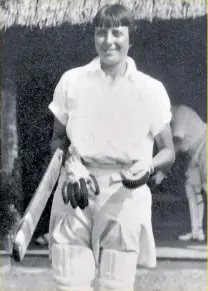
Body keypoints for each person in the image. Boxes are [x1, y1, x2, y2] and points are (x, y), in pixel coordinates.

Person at [48, 4, 175, 290]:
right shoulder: (72, 81)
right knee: (69, 283)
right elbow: (57, 140)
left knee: (115, 286)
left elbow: (168, 151)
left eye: (117, 33)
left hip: (125, 196)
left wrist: (150, 164)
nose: (108, 41)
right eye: (101, 32)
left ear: (131, 38)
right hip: (76, 190)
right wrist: (71, 164)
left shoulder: (150, 89)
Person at [153, 104, 206, 242]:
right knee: (192, 189)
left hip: (205, 146)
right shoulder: (171, 119)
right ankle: (197, 232)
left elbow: (175, 145)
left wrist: (162, 172)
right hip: (195, 153)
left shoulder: (179, 113)